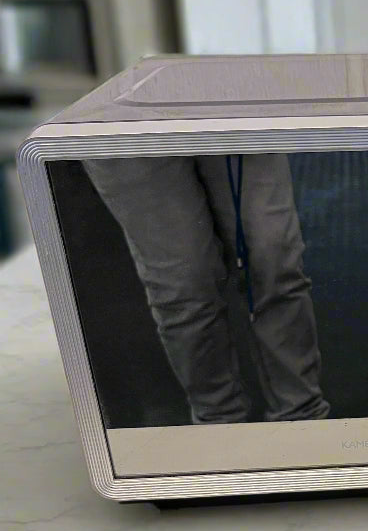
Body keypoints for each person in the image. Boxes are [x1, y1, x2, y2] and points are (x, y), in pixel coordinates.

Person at [82, 153, 330, 424]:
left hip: (227, 114)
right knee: (184, 286)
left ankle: (302, 418)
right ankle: (219, 426)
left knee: (273, 260)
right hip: (128, 127)